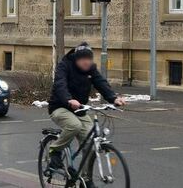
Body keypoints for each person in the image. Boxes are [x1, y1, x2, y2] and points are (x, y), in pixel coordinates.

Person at [47, 42, 126, 179]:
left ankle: (85, 178)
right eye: (83, 59)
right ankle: (55, 150)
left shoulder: (91, 69)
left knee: (90, 142)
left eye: (89, 59)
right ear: (76, 59)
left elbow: (101, 83)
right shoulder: (65, 66)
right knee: (74, 125)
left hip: (80, 109)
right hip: (60, 107)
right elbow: (60, 84)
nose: (86, 62)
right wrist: (69, 99)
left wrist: (113, 98)